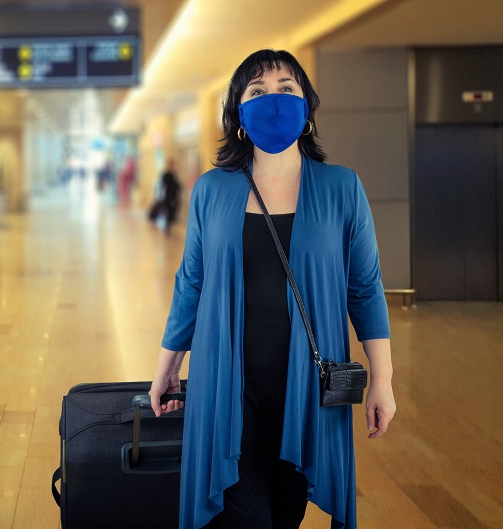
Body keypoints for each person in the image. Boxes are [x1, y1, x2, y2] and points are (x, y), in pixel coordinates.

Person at [148, 49, 396, 529]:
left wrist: (381, 381)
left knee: (285, 513)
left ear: (307, 109)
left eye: (287, 88)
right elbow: (191, 284)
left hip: (308, 391)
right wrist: (167, 368)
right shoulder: (211, 190)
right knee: (245, 516)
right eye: (257, 92)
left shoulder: (342, 188)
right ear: (239, 115)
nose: (274, 100)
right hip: (226, 385)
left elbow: (364, 289)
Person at [148, 159, 182, 235]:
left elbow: (177, 185)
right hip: (169, 196)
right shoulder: (167, 175)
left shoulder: (174, 174)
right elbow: (166, 186)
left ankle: (169, 225)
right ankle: (167, 227)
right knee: (168, 211)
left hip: (173, 196)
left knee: (171, 212)